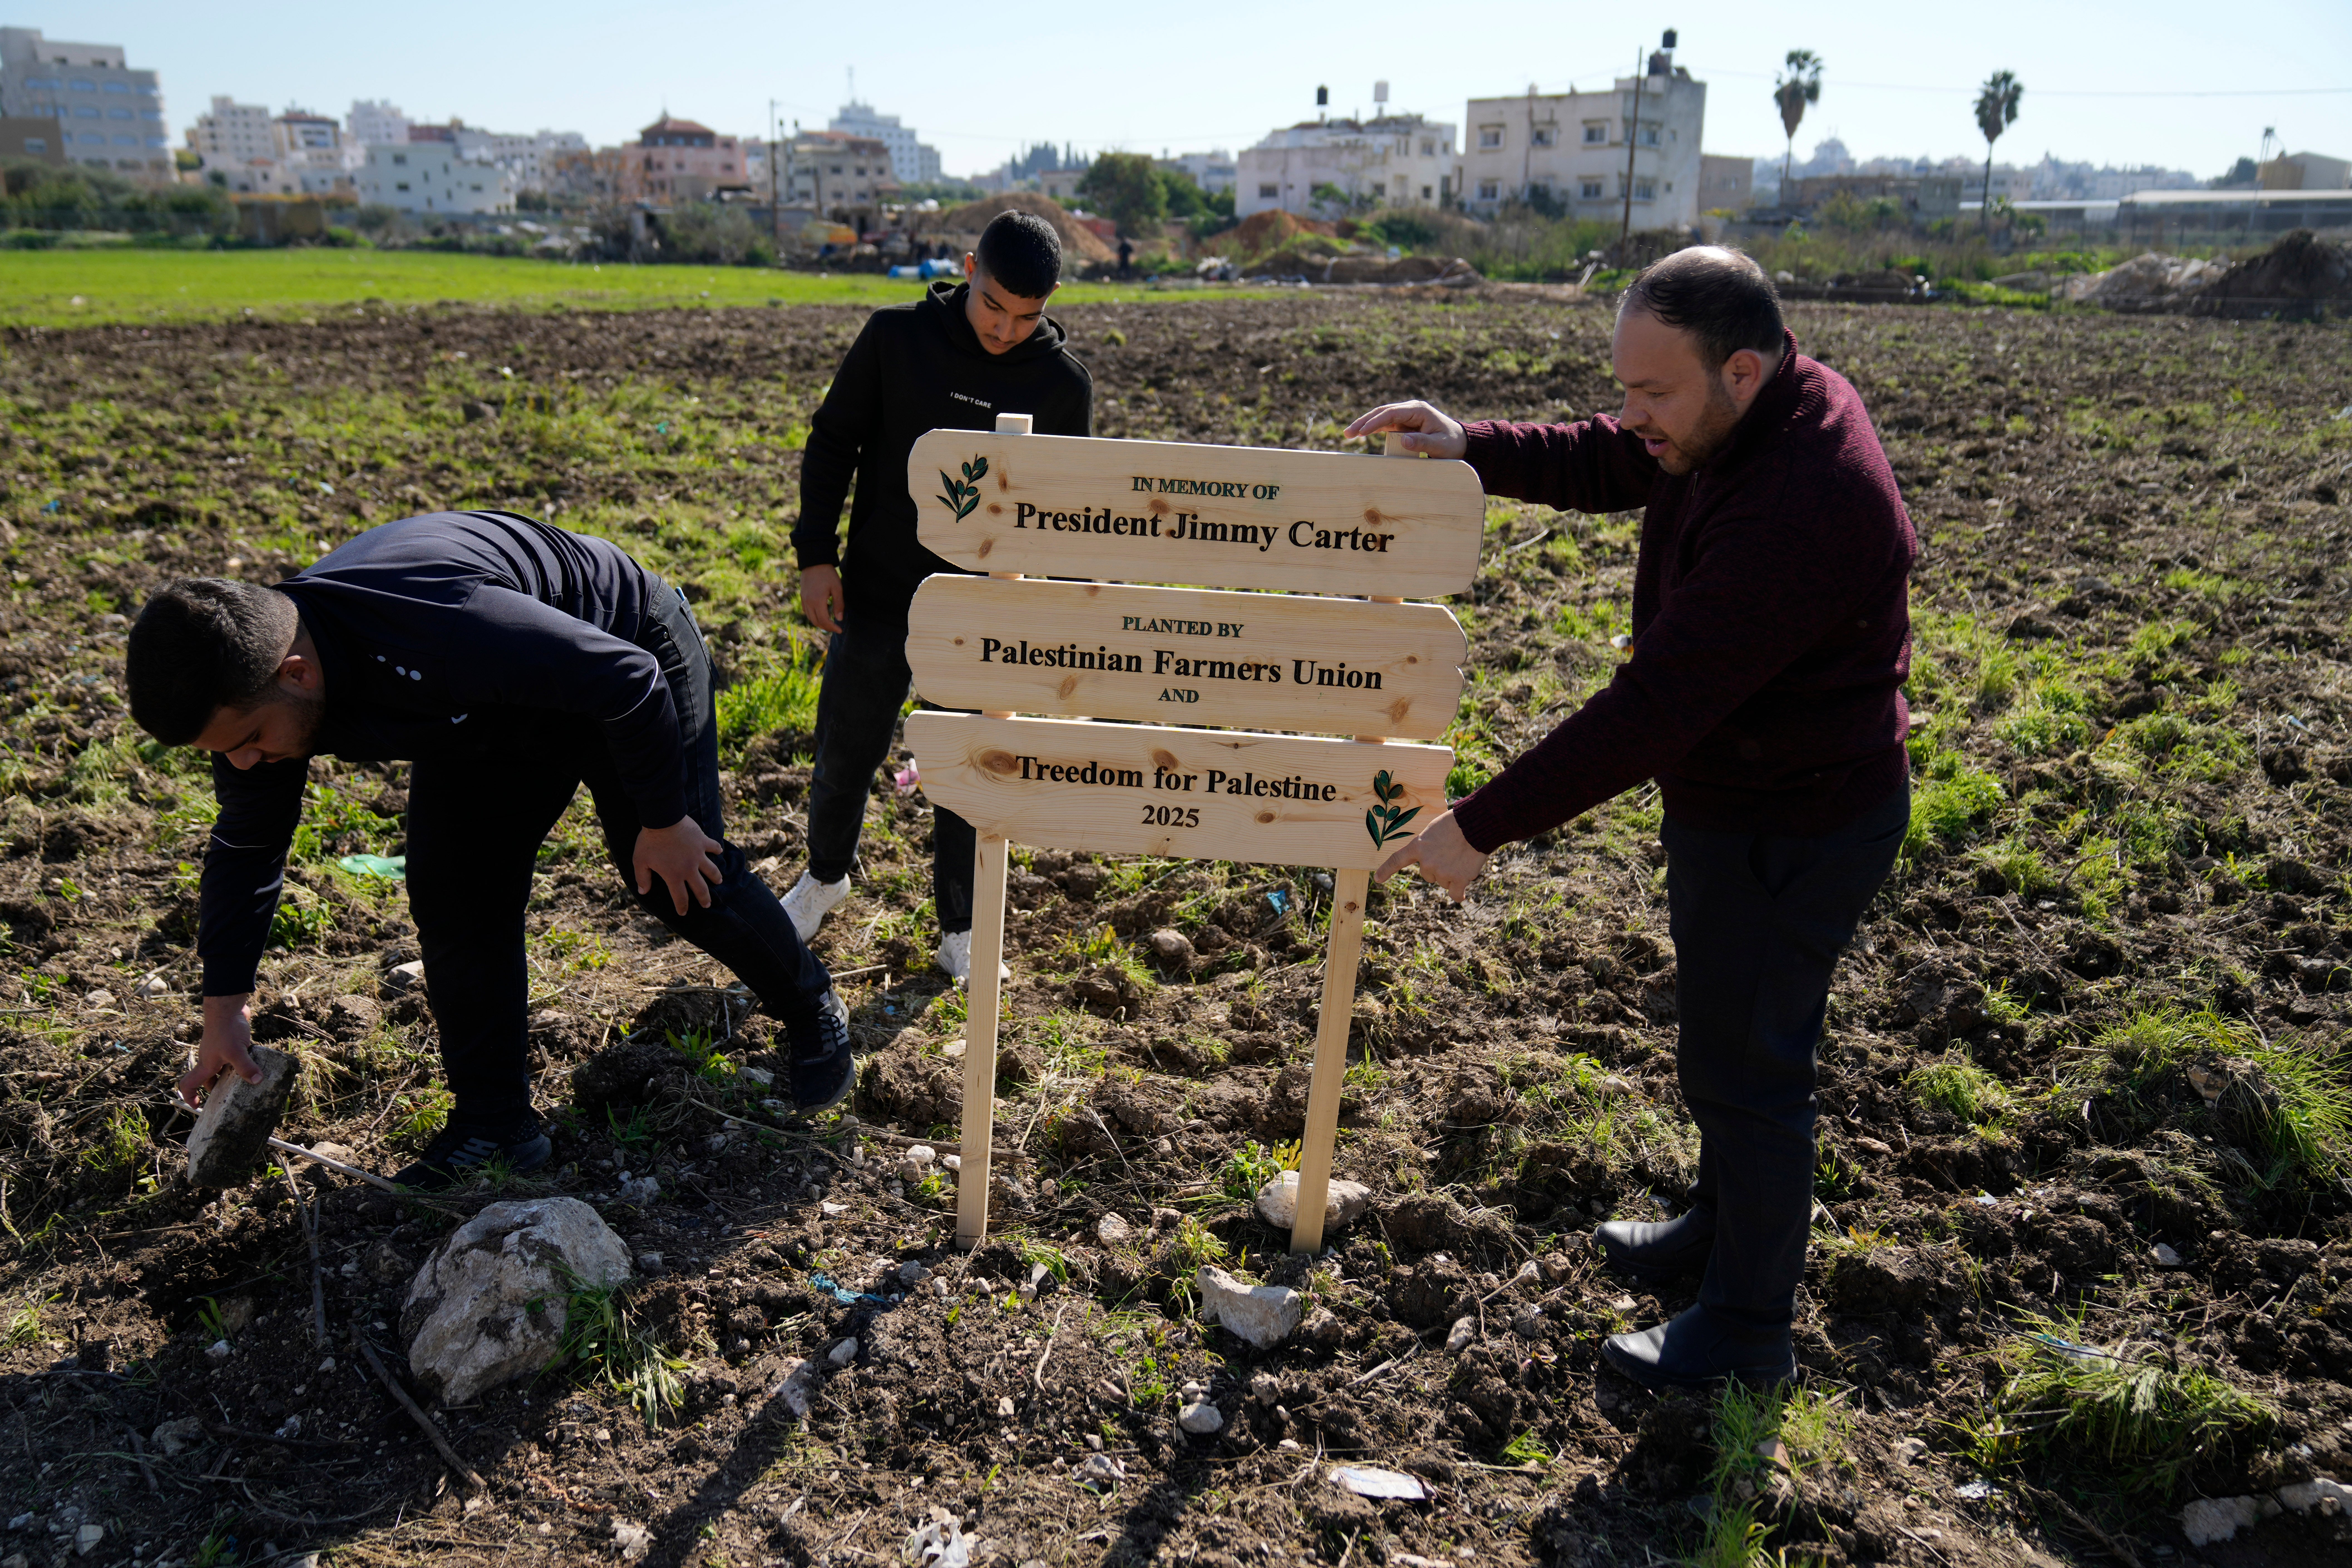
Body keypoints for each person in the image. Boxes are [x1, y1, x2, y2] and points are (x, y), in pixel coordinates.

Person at [1346, 246, 1916, 1390]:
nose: (1631, 415)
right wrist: (1476, 448)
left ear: (1741, 370)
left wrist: (1478, 826)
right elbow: (1625, 455)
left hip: (1794, 820)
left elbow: (1651, 707)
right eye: (1625, 385)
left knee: (1750, 1070)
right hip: (1740, 794)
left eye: (1652, 392)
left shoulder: (1798, 506)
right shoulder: (1745, 413)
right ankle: (1716, 1230)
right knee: (1724, 1041)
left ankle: (1746, 1333)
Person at [127, 510, 855, 1191]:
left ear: (297, 674)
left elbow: (626, 680)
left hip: (623, 653)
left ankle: (811, 1006)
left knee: (675, 877)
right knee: (455, 893)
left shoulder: (432, 629)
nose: (245, 764)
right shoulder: (250, 692)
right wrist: (223, 1010)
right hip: (485, 708)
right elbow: (247, 845)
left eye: (250, 742)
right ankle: (495, 1122)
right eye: (227, 753)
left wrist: (663, 824)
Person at [786, 210, 1093, 982]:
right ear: (967, 268)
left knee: (968, 770)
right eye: (992, 304)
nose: (1003, 329)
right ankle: (824, 878)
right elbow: (833, 443)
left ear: (1052, 301)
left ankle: (963, 922)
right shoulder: (895, 340)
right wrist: (815, 557)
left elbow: (1065, 510)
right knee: (844, 749)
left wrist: (1045, 621)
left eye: (1028, 316)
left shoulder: (1062, 387)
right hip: (879, 595)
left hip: (985, 618)